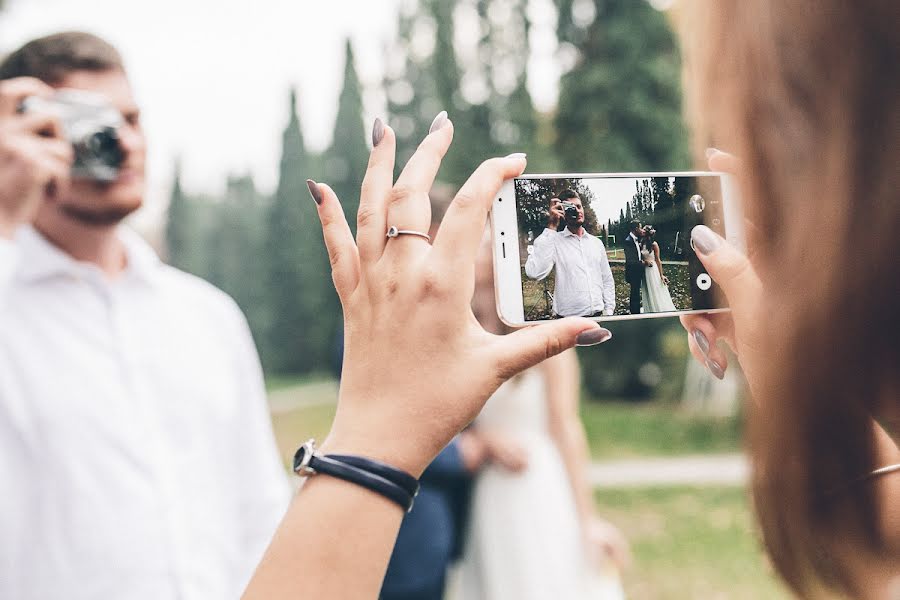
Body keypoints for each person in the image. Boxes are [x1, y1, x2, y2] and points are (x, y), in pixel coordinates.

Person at [243, 0, 899, 590]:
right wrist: (789, 364)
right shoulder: (514, 286)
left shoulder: (573, 265)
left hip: (538, 498)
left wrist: (371, 437)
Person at [0, 32, 289, 599]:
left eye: (132, 119)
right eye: (95, 127)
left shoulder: (208, 316)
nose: (126, 143)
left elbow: (261, 514)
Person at [453, 237, 628, 600]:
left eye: (486, 245)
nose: (476, 252)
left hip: (538, 481)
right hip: (489, 489)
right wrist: (485, 443)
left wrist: (588, 518)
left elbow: (566, 426)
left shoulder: (545, 334)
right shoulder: (456, 335)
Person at [524, 189, 615, 317]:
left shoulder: (596, 243)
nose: (577, 211)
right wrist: (552, 226)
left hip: (598, 317)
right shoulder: (554, 241)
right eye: (571, 208)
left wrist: (609, 310)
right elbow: (534, 272)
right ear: (562, 212)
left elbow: (607, 279)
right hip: (567, 321)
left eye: (579, 206)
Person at [640, 225, 676, 313]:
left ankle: (658, 309)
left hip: (653, 270)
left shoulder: (654, 244)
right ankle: (649, 308)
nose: (642, 231)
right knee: (648, 289)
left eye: (644, 230)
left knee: (655, 288)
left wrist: (661, 275)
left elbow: (658, 260)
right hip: (645, 269)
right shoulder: (641, 243)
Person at [621, 219, 645, 314]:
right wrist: (644, 263)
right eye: (640, 227)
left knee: (636, 293)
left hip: (637, 271)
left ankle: (635, 310)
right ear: (636, 229)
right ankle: (635, 313)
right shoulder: (628, 241)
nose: (641, 229)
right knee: (634, 293)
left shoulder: (636, 239)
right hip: (633, 272)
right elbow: (631, 261)